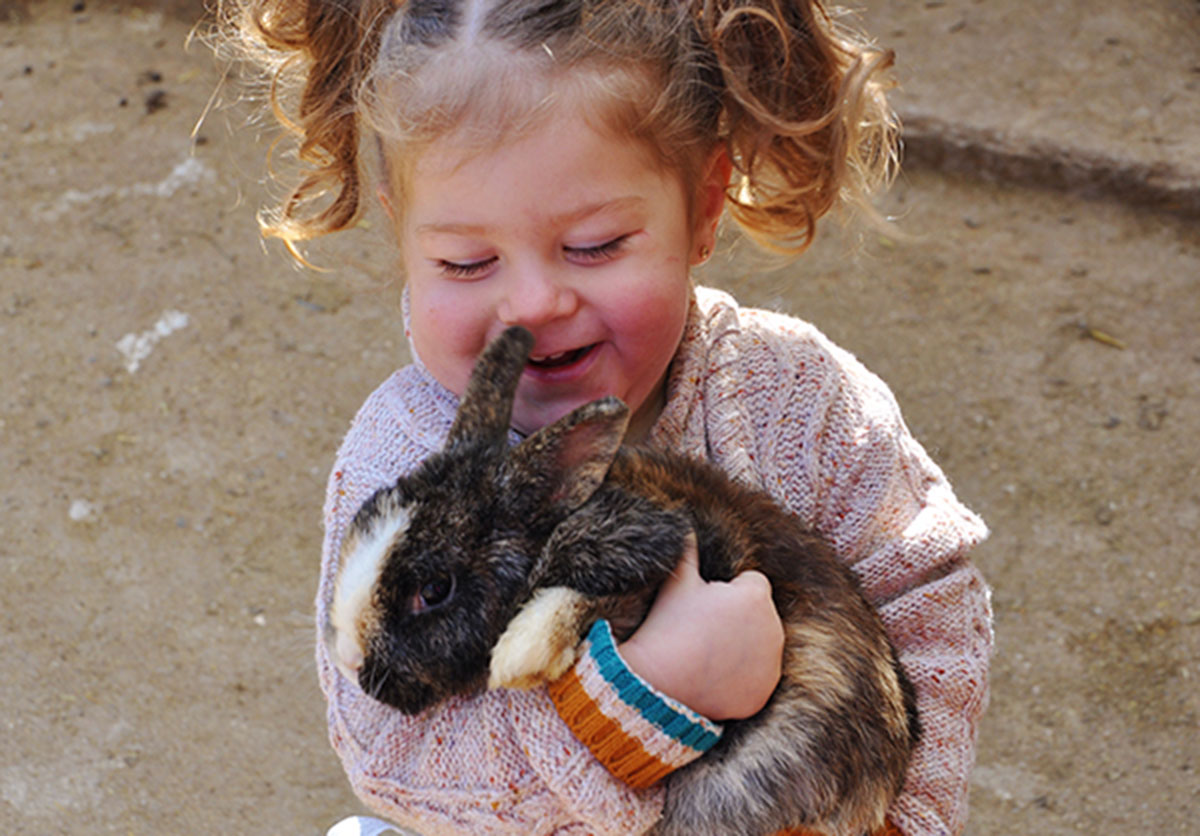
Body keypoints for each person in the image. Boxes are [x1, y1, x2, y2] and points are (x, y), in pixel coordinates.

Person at [215, 2, 992, 834]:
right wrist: (643, 700)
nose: (533, 303)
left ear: (703, 208)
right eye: (466, 262)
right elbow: (388, 751)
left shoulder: (801, 402)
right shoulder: (398, 459)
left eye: (594, 245)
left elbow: (929, 606)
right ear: (403, 236)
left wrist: (899, 820)